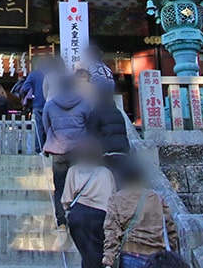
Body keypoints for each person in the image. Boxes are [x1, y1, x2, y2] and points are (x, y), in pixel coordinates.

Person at [102, 162, 179, 268]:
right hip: (156, 258)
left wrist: (108, 260)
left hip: (130, 255)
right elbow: (170, 228)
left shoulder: (116, 199)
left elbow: (112, 231)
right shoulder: (157, 198)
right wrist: (170, 252)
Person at [43, 72, 91, 229]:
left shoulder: (50, 104)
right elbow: (88, 123)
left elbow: (46, 125)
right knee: (79, 184)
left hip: (58, 149)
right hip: (79, 149)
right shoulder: (83, 103)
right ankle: (76, 216)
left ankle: (61, 220)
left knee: (60, 186)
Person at [61, 138, 115, 268]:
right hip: (100, 215)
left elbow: (66, 199)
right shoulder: (106, 173)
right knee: (98, 253)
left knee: (86, 254)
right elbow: (113, 199)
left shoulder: (73, 170)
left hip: (78, 215)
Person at [88, 84, 131, 186]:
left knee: (108, 181)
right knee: (120, 180)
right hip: (123, 150)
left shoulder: (97, 112)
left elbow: (91, 131)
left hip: (107, 151)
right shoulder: (118, 112)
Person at [21, 56, 60, 152]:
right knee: (52, 127)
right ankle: (51, 148)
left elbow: (24, 88)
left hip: (37, 105)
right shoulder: (56, 74)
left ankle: (38, 149)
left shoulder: (34, 74)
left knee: (38, 128)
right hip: (53, 105)